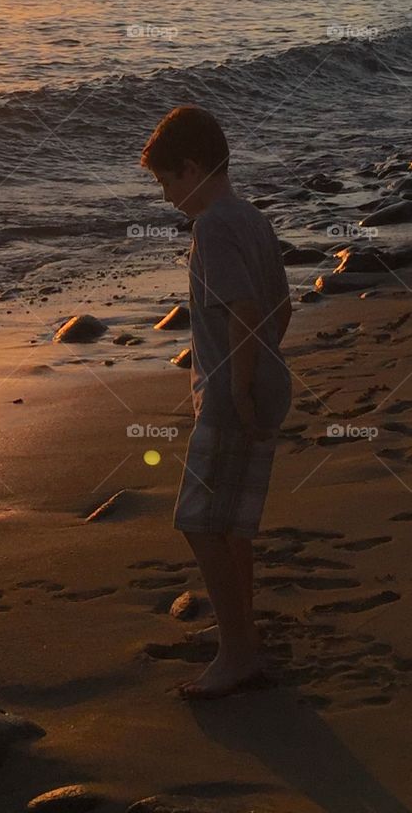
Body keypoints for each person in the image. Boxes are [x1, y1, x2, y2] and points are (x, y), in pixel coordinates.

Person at [141, 105, 293, 699]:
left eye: (168, 181)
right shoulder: (253, 218)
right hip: (263, 378)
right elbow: (281, 307)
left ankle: (236, 654)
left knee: (199, 523)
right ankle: (242, 637)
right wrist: (261, 371)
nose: (168, 195)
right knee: (232, 524)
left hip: (238, 389)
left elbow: (248, 313)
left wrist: (236, 384)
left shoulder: (212, 227)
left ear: (193, 167)